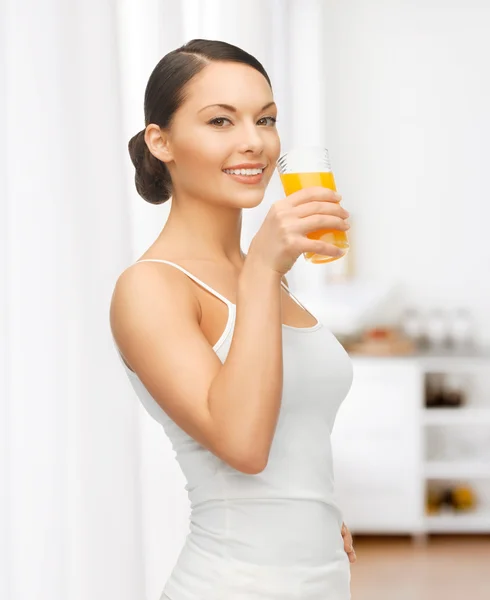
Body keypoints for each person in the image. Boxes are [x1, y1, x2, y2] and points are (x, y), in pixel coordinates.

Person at [110, 38, 355, 600]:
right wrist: (264, 269)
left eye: (265, 119)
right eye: (221, 120)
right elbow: (243, 446)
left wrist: (312, 522)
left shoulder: (266, 275)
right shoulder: (151, 287)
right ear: (161, 140)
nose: (254, 142)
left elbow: (293, 443)